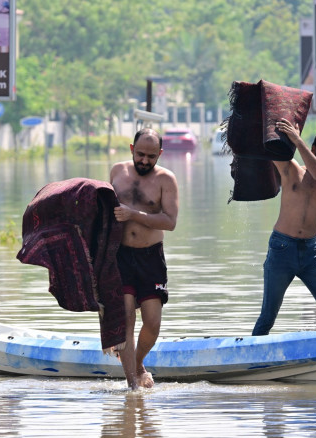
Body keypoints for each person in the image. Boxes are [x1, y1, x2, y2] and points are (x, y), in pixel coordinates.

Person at [252, 118, 316, 336]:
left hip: (311, 253)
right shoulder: (291, 170)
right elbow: (268, 145)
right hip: (282, 248)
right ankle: (249, 358)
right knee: (268, 315)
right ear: (314, 150)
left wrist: (296, 138)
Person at [110, 128, 179, 389]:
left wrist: (133, 214)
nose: (145, 161)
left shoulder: (166, 180)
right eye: (140, 154)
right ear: (131, 149)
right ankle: (132, 386)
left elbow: (170, 222)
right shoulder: (117, 171)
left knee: (152, 322)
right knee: (126, 317)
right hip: (121, 256)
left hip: (150, 257)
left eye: (151, 156)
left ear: (160, 154)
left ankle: (138, 364)